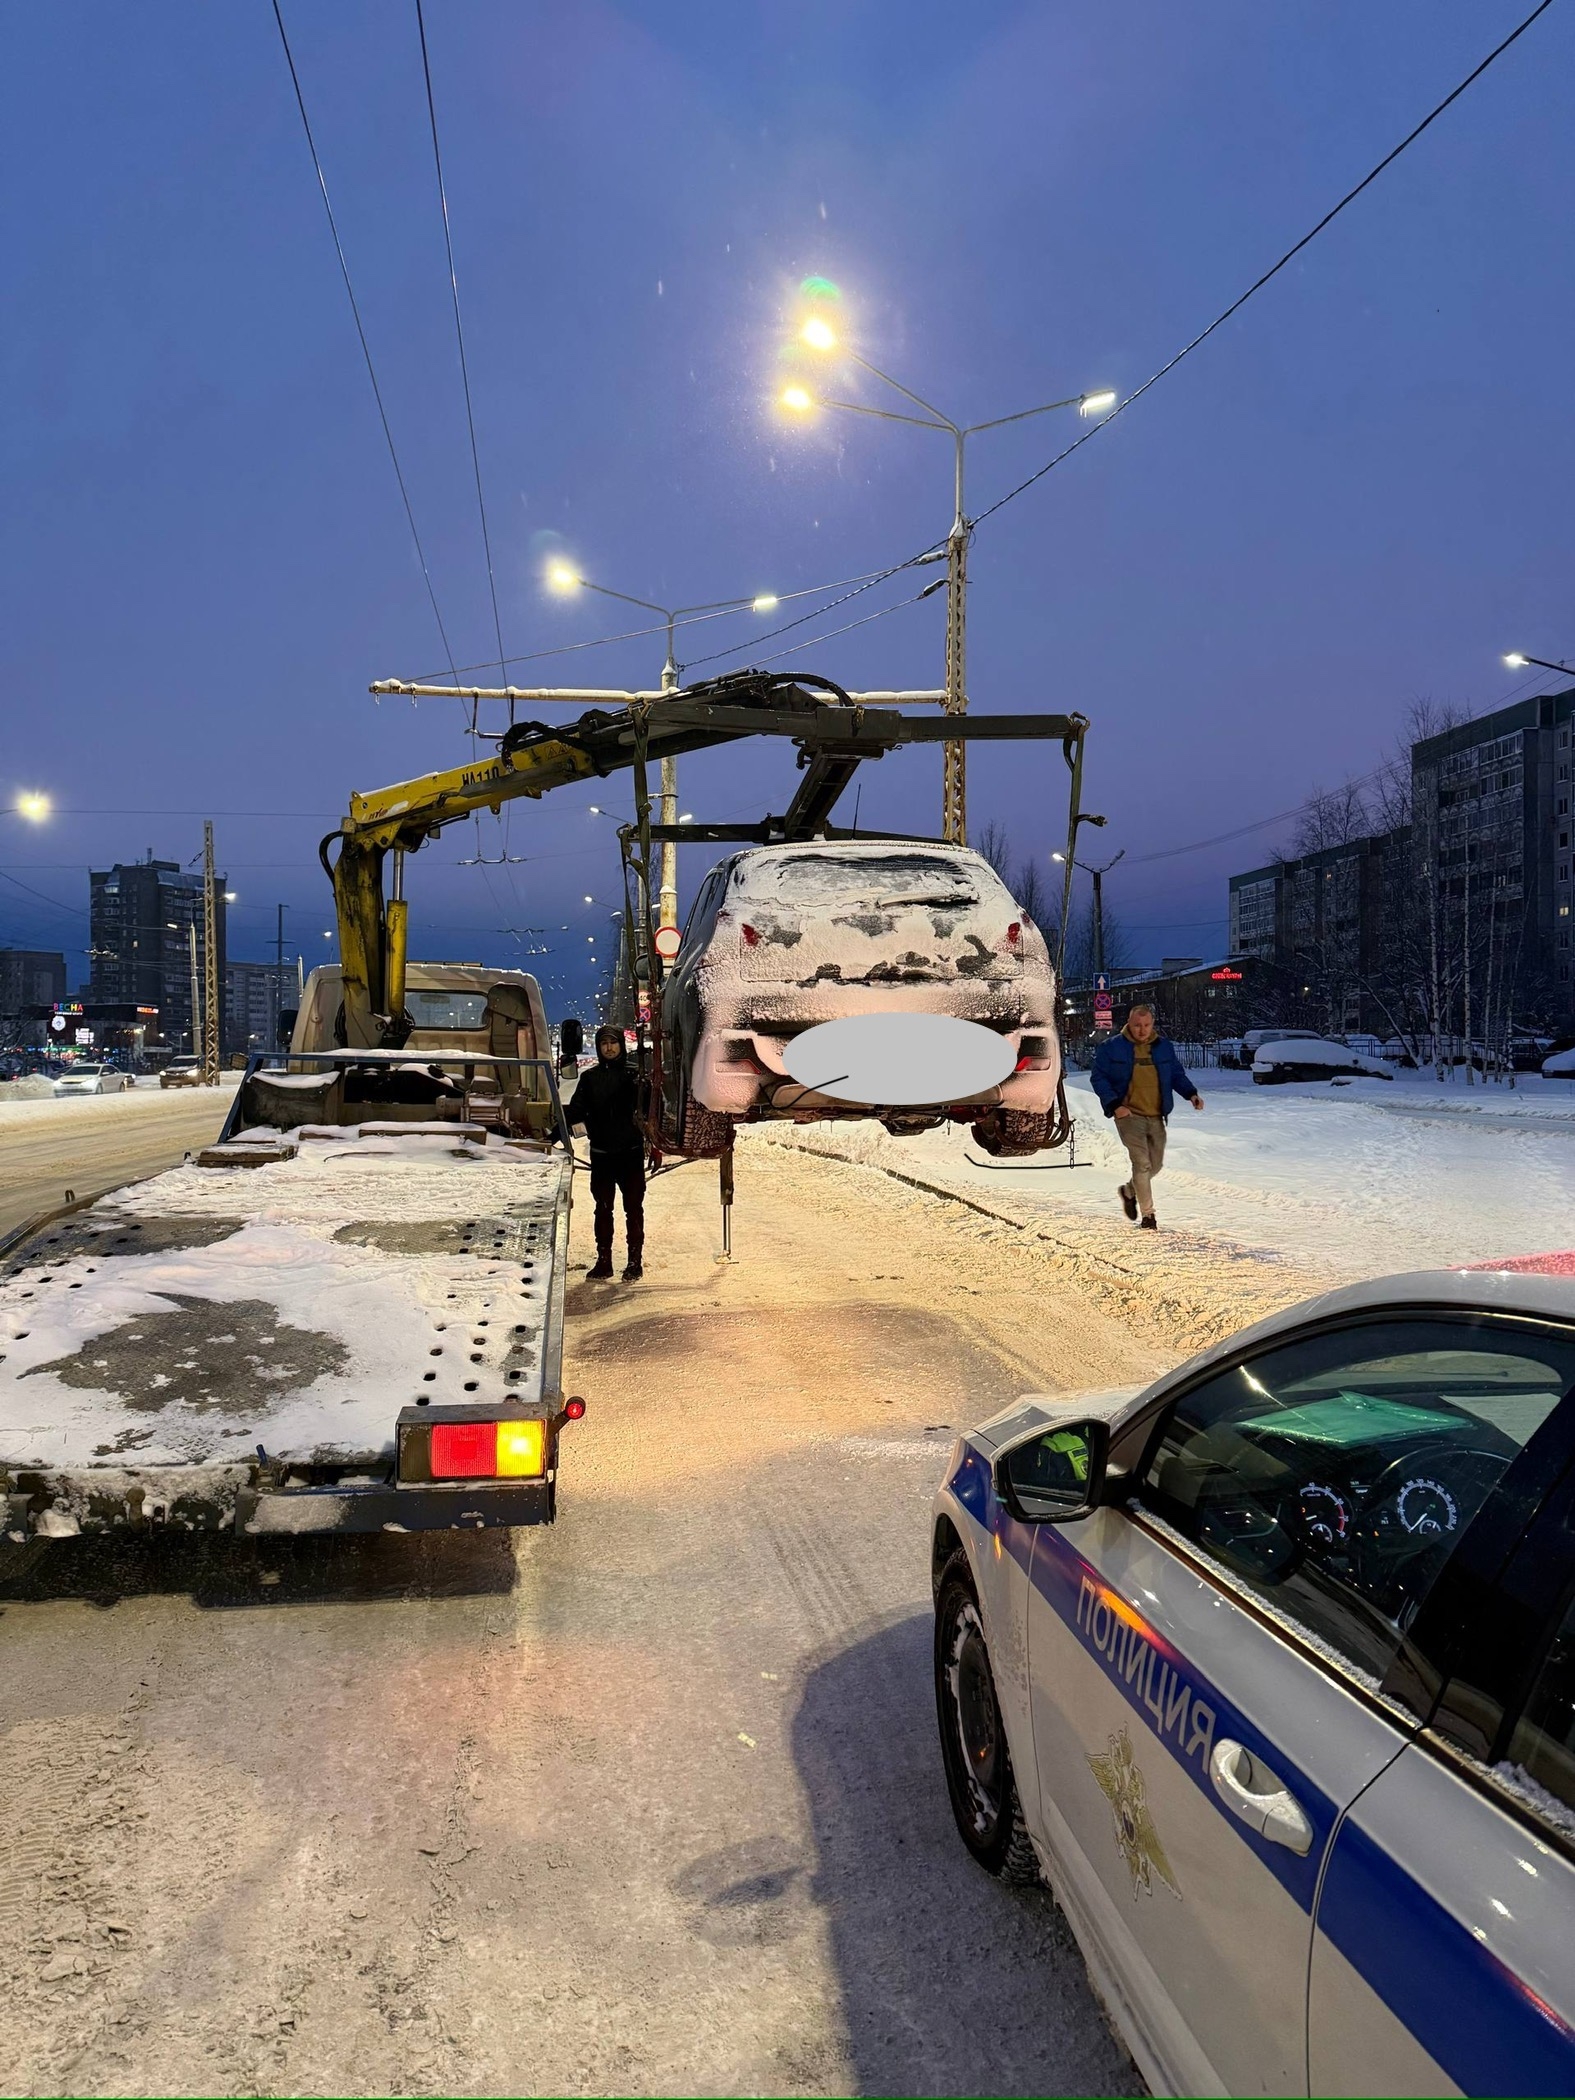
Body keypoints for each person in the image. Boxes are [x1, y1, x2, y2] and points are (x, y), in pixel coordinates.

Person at [1089, 1003, 1202, 1231]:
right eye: (1137, 1025)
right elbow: (1098, 1078)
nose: (1142, 1030)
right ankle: (1148, 1216)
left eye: (1147, 1025)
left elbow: (1176, 1074)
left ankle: (1129, 1191)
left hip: (1156, 1115)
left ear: (1152, 1025)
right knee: (1142, 1164)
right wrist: (1115, 1106)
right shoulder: (1111, 1048)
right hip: (1128, 1115)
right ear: (1129, 1024)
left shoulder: (1163, 1047)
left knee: (1156, 1166)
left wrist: (1191, 1094)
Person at [567, 1025, 646, 1281]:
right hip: (602, 1155)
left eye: (613, 1043)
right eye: (604, 1044)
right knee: (602, 1209)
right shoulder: (589, 1079)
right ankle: (604, 1261)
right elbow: (576, 1112)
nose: (609, 1048)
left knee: (633, 1209)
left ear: (621, 1045)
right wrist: (567, 1126)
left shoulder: (635, 1077)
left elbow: (650, 1113)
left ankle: (635, 1262)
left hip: (630, 1154)